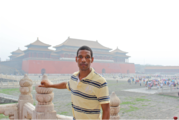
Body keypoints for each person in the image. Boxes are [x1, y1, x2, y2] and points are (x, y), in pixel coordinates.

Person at [39, 46, 110, 120]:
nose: (83, 60)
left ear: (92, 60)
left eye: (87, 57)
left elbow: (106, 110)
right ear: (76, 59)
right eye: (80, 57)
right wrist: (50, 85)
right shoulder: (74, 77)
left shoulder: (100, 82)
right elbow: (65, 85)